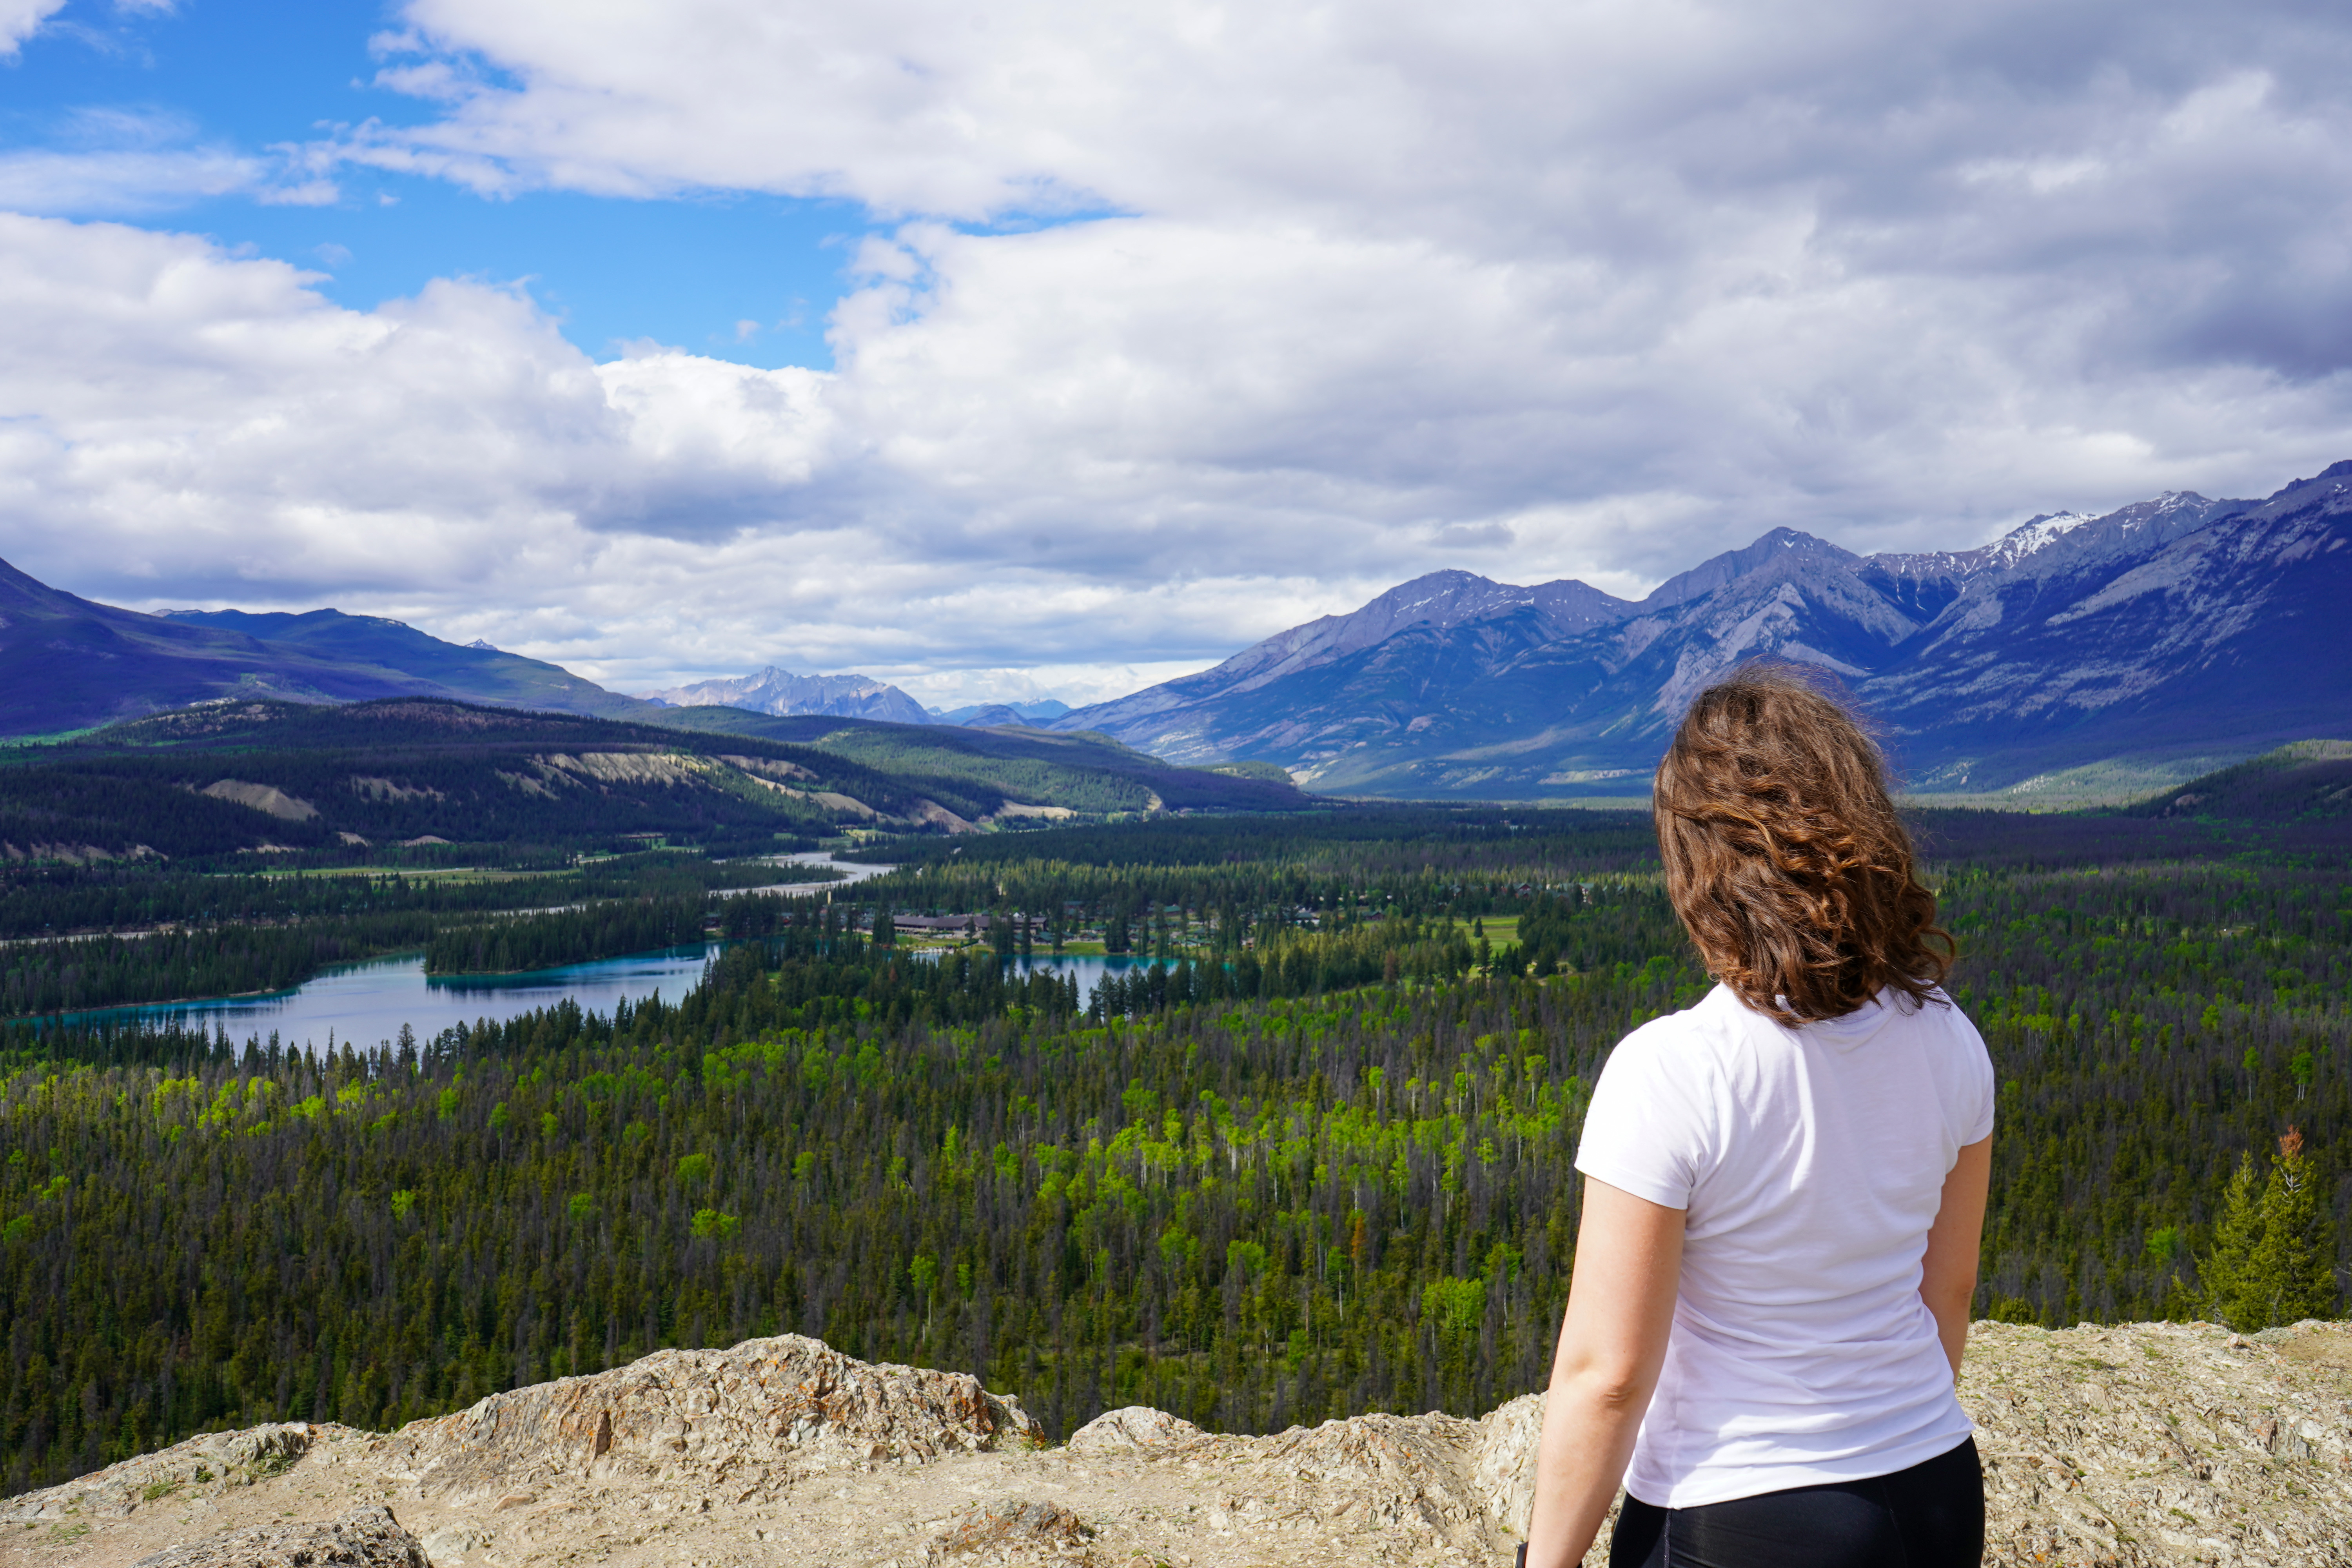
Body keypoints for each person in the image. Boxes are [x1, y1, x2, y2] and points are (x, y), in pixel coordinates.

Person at [1521, 667, 1993, 1568]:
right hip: (1932, 1482)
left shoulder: (1673, 1069)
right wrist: (1887, 1426)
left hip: (1741, 1509)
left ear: (1703, 861)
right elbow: (1950, 1291)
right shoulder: (1950, 1035)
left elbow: (1609, 1375)